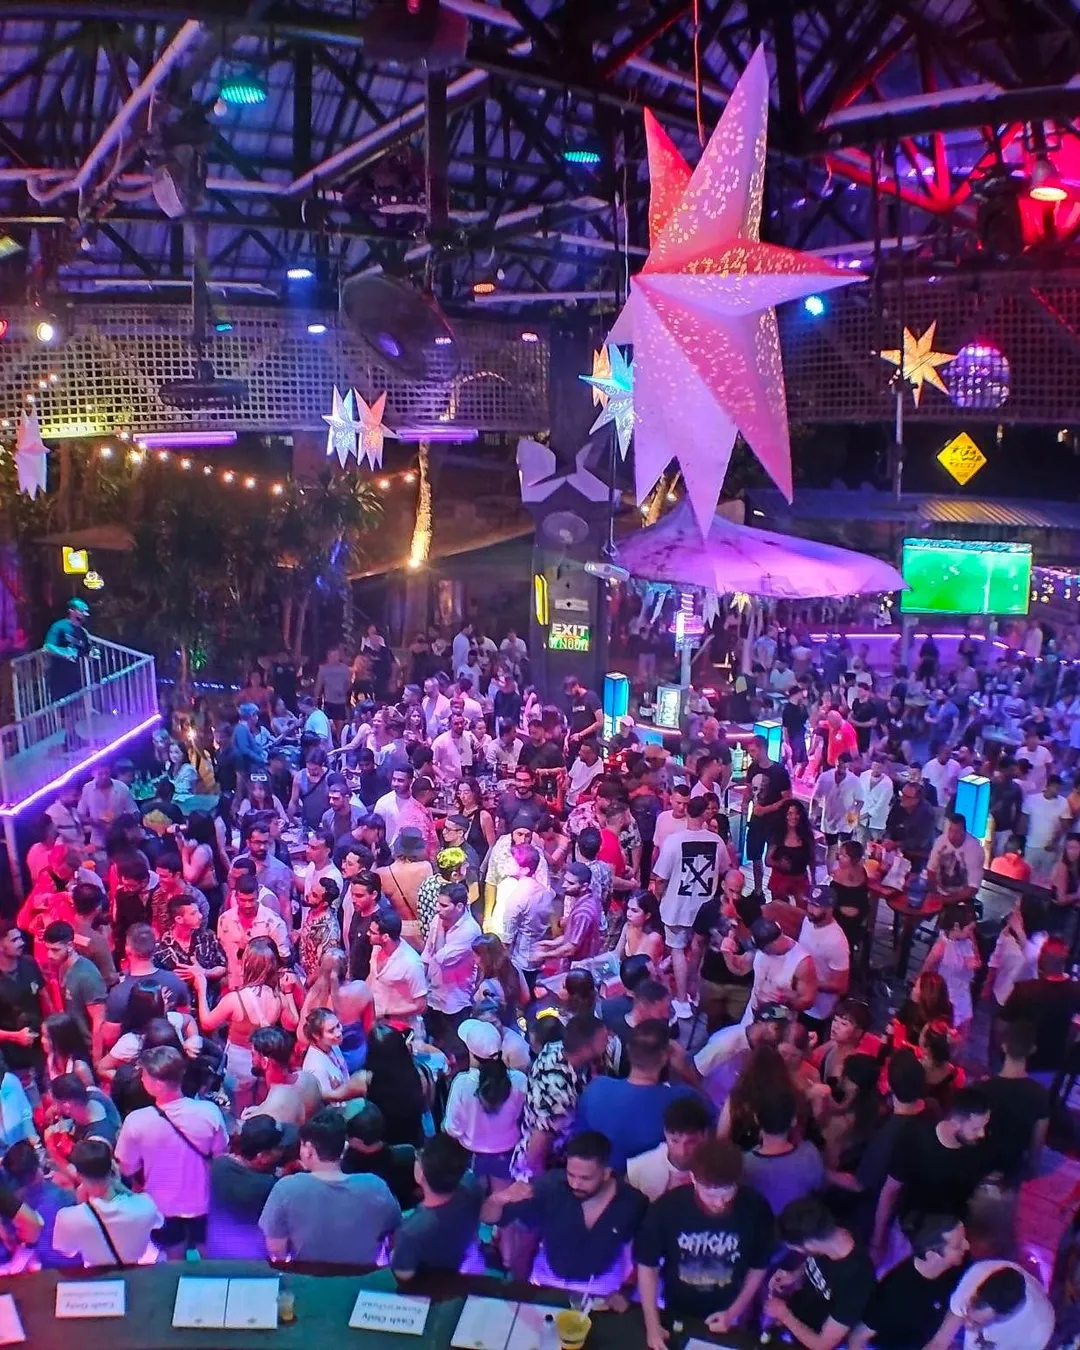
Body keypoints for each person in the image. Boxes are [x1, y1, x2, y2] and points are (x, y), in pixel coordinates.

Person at [636, 1136, 774, 1342]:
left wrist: (734, 1311)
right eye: (710, 1194)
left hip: (732, 1308)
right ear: (693, 1178)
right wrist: (652, 1324)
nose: (719, 1203)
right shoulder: (667, 1209)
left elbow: (759, 1265)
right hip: (677, 1306)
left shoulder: (756, 1208)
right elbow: (648, 1265)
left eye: (727, 1193)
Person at [485, 1130, 646, 1297]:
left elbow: (644, 1254)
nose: (575, 1184)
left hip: (602, 1286)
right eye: (571, 1175)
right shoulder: (551, 1186)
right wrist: (497, 1200)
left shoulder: (632, 1203)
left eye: (585, 1178)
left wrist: (625, 1291)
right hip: (547, 1279)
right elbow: (491, 1216)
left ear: (606, 1173)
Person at [113, 1045, 228, 1257]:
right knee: (207, 1260)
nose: (141, 1080)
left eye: (144, 1076)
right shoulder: (209, 1112)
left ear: (157, 1084)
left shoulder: (136, 1121)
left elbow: (127, 1168)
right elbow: (221, 1156)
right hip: (204, 1203)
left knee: (174, 1261)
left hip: (161, 1207)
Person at [260, 1108, 401, 1263]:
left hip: (304, 1276)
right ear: (344, 1148)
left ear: (308, 1150)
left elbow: (276, 1249)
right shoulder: (376, 1186)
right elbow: (396, 1236)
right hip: (364, 1276)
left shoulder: (285, 1189)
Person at [871, 1087, 992, 1263]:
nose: (981, 1134)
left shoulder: (977, 1149)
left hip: (949, 1237)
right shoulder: (916, 1140)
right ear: (956, 1122)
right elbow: (890, 1191)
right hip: (911, 1232)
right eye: (976, 1128)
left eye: (984, 1127)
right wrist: (877, 1241)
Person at [576, 1021, 709, 1170]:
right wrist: (686, 1070)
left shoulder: (595, 1087)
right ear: (665, 1057)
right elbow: (715, 1125)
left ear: (628, 1050)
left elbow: (578, 1140)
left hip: (598, 1178)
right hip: (654, 1181)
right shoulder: (683, 1098)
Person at [651, 796, 726, 1019]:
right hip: (705, 907)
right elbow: (725, 869)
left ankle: (682, 1000)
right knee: (699, 951)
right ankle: (695, 994)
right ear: (705, 814)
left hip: (677, 906)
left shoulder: (674, 841)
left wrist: (659, 897)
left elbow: (660, 877)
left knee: (677, 950)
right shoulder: (717, 841)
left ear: (687, 812)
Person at [765, 1198, 875, 1350]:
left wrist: (784, 1315)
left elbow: (822, 1344)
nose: (796, 1252)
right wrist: (796, 1275)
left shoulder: (856, 1281)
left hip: (810, 1336)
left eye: (795, 1248)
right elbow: (815, 1258)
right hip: (798, 1311)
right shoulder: (827, 1230)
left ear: (809, 1243)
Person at [511, 1014, 610, 1179]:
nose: (608, 1041)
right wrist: (544, 1185)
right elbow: (536, 1151)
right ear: (586, 1048)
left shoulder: (555, 1048)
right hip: (547, 1170)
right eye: (604, 1039)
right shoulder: (557, 1092)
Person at [850, 1213, 970, 1350]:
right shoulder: (894, 1294)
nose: (967, 1246)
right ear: (932, 1256)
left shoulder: (959, 1265)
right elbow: (857, 1337)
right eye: (957, 1246)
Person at [52, 1139, 163, 1268]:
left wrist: (80, 1201)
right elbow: (158, 1222)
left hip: (97, 1276)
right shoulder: (145, 1205)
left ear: (78, 1174)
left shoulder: (67, 1217)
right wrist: (122, 1188)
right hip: (137, 1271)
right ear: (112, 1168)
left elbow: (68, 1252)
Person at [391, 1134, 483, 1281]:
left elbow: (404, 1274)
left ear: (421, 1173)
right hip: (464, 1263)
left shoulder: (410, 1232)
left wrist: (394, 1254)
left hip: (431, 1284)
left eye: (418, 1157)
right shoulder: (472, 1184)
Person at [206, 1114, 296, 1260]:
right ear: (262, 1156)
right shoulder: (268, 1186)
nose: (282, 1151)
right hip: (253, 1262)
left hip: (216, 1255)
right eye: (279, 1147)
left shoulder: (219, 1165)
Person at [980, 1020, 1049, 1183]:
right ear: (1032, 1050)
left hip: (981, 1165)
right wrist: (1031, 1168)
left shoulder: (983, 1089)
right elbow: (1037, 1142)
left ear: (1003, 1046)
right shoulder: (1040, 1094)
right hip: (1013, 1168)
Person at [1001, 936, 1080, 1076]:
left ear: (1041, 959)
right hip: (1058, 1063)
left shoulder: (1023, 990)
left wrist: (1002, 1055)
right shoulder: (1076, 991)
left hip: (1023, 1061)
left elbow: (1002, 1026)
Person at [933, 1260, 1054, 1350]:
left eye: (977, 1323)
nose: (967, 1325)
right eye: (967, 1313)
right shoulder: (976, 1275)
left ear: (1006, 1315)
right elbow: (940, 1341)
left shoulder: (1038, 1331)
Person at [742, 1086, 824, 1217]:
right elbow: (818, 1188)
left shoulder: (744, 1163)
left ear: (756, 1118)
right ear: (793, 1120)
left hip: (762, 1226)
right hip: (798, 1225)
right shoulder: (810, 1154)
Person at [723, 917, 818, 1021]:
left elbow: (808, 1000)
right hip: (752, 1013)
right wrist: (727, 952)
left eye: (764, 949)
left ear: (774, 943)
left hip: (778, 1021)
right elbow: (740, 968)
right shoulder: (761, 948)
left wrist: (785, 1000)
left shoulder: (802, 962)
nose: (761, 951)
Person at [421, 883, 481, 1042]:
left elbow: (442, 959)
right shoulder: (439, 918)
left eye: (443, 905)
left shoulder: (470, 930)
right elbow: (428, 951)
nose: (437, 909)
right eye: (438, 903)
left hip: (454, 1000)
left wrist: (441, 928)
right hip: (433, 994)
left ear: (459, 907)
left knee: (454, 1046)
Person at [42, 921, 107, 1061]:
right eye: (48, 949)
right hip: (73, 1047)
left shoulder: (87, 975)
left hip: (86, 1050)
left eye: (55, 950)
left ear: (70, 946)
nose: (50, 955)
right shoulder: (62, 966)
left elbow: (99, 1022)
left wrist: (97, 1059)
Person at [217, 877, 292, 991]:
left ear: (258, 896)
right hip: (233, 987)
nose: (247, 905)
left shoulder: (274, 922)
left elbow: (284, 960)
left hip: (264, 990)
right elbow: (221, 954)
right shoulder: (224, 920)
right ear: (235, 897)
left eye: (251, 900)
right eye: (243, 900)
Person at [797, 888, 851, 1037]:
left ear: (829, 909)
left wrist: (809, 982)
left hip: (818, 1009)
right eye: (810, 903)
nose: (810, 909)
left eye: (816, 906)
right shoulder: (808, 921)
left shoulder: (837, 942)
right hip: (800, 997)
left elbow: (841, 986)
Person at [745, 733, 793, 893]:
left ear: (762, 749)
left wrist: (766, 809)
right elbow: (749, 789)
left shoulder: (779, 771)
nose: (751, 755)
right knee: (755, 857)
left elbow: (787, 799)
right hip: (756, 821)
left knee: (772, 858)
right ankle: (758, 890)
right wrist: (745, 803)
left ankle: (776, 890)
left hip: (774, 823)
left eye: (753, 751)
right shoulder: (752, 768)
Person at [368, 910, 428, 1035]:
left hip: (400, 1030)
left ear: (385, 937)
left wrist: (386, 1013)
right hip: (375, 1023)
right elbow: (372, 978)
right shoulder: (377, 948)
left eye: (372, 932)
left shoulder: (411, 963)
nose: (368, 934)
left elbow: (421, 1006)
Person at [812, 755, 863, 869]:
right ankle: (830, 873)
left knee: (845, 850)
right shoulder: (825, 777)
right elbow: (816, 797)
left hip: (847, 821)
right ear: (836, 763)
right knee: (831, 847)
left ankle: (842, 872)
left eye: (844, 767)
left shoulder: (855, 781)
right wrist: (813, 813)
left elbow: (860, 801)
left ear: (849, 766)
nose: (841, 769)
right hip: (829, 818)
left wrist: (853, 816)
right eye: (839, 766)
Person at [1022, 775, 1070, 887]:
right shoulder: (1032, 799)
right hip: (1031, 844)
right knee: (1027, 875)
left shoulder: (1063, 802)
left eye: (1059, 788)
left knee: (1046, 878)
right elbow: (1024, 821)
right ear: (1048, 786)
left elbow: (1065, 825)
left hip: (1051, 848)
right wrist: (1021, 840)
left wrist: (1055, 841)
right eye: (1055, 787)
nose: (1057, 791)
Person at [927, 814, 985, 901]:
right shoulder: (940, 841)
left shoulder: (975, 849)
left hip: (963, 898)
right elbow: (931, 870)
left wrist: (948, 900)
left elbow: (973, 888)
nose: (953, 835)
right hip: (939, 893)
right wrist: (934, 894)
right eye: (951, 830)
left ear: (964, 832)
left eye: (957, 831)